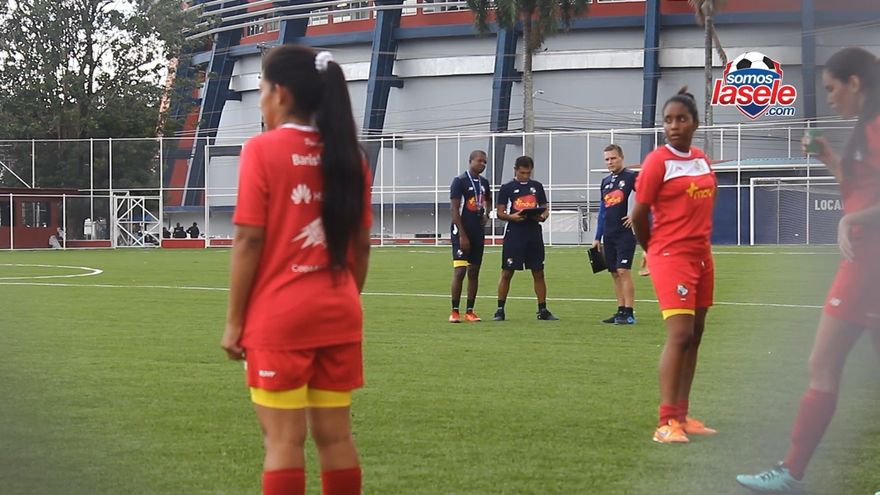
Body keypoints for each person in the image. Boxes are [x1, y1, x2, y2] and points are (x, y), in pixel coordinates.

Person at [220, 45, 371, 495]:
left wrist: (234, 323)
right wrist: (342, 298)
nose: (261, 102)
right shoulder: (350, 156)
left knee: (283, 441)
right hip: (339, 313)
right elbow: (361, 246)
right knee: (336, 438)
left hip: (281, 317)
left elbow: (248, 240)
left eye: (261, 91)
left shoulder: (262, 149)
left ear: (281, 94)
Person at [736, 47, 880, 493]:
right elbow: (860, 191)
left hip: (867, 265)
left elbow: (864, 206)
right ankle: (791, 471)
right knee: (827, 364)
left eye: (833, 89)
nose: (829, 98)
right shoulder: (866, 128)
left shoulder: (876, 127)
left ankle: (791, 471)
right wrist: (829, 159)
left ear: (855, 82)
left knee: (822, 364)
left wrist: (852, 221)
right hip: (865, 261)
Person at [630, 87, 718, 444]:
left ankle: (682, 416)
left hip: (702, 256)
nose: (674, 126)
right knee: (679, 335)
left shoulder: (701, 159)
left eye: (681, 119)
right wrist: (652, 250)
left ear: (695, 123)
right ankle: (666, 422)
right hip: (671, 256)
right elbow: (638, 215)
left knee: (695, 335)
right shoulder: (657, 162)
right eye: (668, 120)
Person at [493, 155, 559, 321]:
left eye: (528, 173)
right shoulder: (507, 188)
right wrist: (512, 217)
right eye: (522, 173)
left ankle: (542, 310)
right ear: (515, 170)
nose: (525, 176)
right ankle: (500, 310)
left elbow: (544, 208)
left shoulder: (537, 187)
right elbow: (500, 212)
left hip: (533, 233)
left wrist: (542, 216)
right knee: (507, 272)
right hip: (514, 234)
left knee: (538, 272)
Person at [592, 144, 639, 325]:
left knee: (623, 270)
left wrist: (634, 214)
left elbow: (646, 196)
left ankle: (629, 312)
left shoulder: (631, 177)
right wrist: (597, 237)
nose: (610, 162)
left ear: (621, 158)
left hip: (625, 233)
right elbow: (603, 211)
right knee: (614, 272)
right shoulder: (605, 182)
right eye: (607, 159)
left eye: (613, 158)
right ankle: (620, 310)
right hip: (609, 234)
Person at [449, 150, 491, 323]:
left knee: (474, 272)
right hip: (461, 232)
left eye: (485, 162)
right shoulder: (459, 181)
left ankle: (470, 311)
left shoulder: (484, 182)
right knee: (460, 271)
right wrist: (462, 235)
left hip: (477, 232)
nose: (482, 164)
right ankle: (454, 311)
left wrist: (487, 214)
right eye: (479, 161)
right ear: (470, 161)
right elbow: (454, 209)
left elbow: (488, 200)